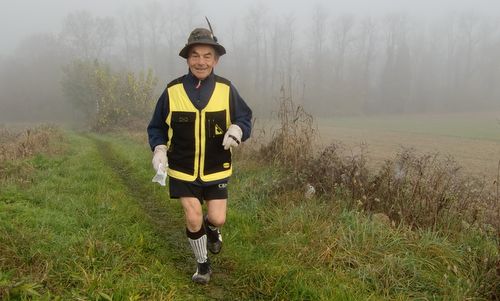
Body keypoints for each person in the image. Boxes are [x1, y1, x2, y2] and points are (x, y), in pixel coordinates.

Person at [147, 25, 252, 284]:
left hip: (216, 167)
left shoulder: (227, 90)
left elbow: (245, 117)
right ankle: (202, 265)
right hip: (182, 168)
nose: (201, 62)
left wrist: (239, 129)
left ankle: (213, 230)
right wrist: (159, 148)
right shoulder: (172, 91)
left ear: (215, 60)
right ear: (187, 58)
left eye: (207, 56)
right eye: (195, 55)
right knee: (193, 216)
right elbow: (156, 126)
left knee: (217, 217)